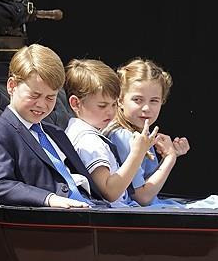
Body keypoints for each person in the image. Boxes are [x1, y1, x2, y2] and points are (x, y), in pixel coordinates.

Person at [0, 44, 106, 208]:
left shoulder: (55, 133)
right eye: (34, 95)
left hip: (95, 208)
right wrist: (50, 199)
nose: (42, 105)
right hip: (54, 219)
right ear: (12, 86)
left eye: (50, 98)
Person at [64, 59, 159, 207]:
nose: (110, 111)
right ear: (76, 103)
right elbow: (110, 192)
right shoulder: (89, 141)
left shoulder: (80, 131)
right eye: (102, 105)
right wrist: (137, 153)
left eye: (114, 104)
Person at [103, 58, 190, 207]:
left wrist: (168, 155)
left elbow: (147, 183)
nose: (146, 108)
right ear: (120, 100)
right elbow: (142, 197)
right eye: (137, 100)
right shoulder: (124, 136)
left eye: (154, 101)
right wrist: (170, 158)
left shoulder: (140, 133)